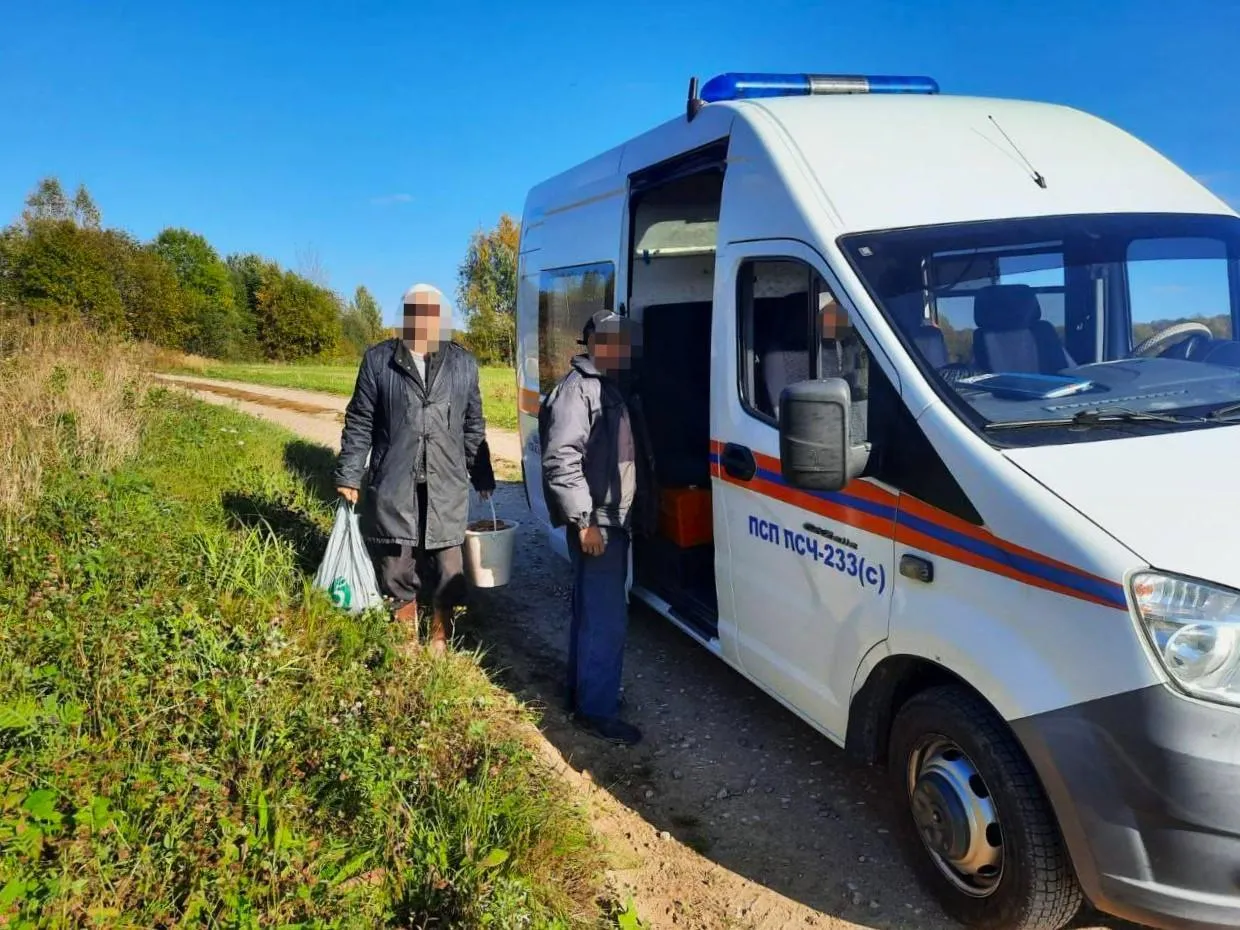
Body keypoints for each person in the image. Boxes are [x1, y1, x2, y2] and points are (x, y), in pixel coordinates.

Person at [333, 283, 495, 655]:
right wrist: (349, 473)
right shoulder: (380, 360)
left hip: (446, 478)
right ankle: (404, 632)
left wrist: (481, 472)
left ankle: (440, 634)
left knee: (448, 563)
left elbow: (473, 424)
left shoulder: (462, 363)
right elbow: (360, 420)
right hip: (395, 477)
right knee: (396, 563)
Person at [539, 309, 653, 746]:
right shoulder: (579, 391)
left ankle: (583, 696)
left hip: (608, 520)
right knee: (605, 620)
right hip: (597, 523)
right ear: (591, 343)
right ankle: (597, 712)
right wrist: (585, 522)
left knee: (592, 613)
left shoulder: (609, 386)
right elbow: (561, 461)